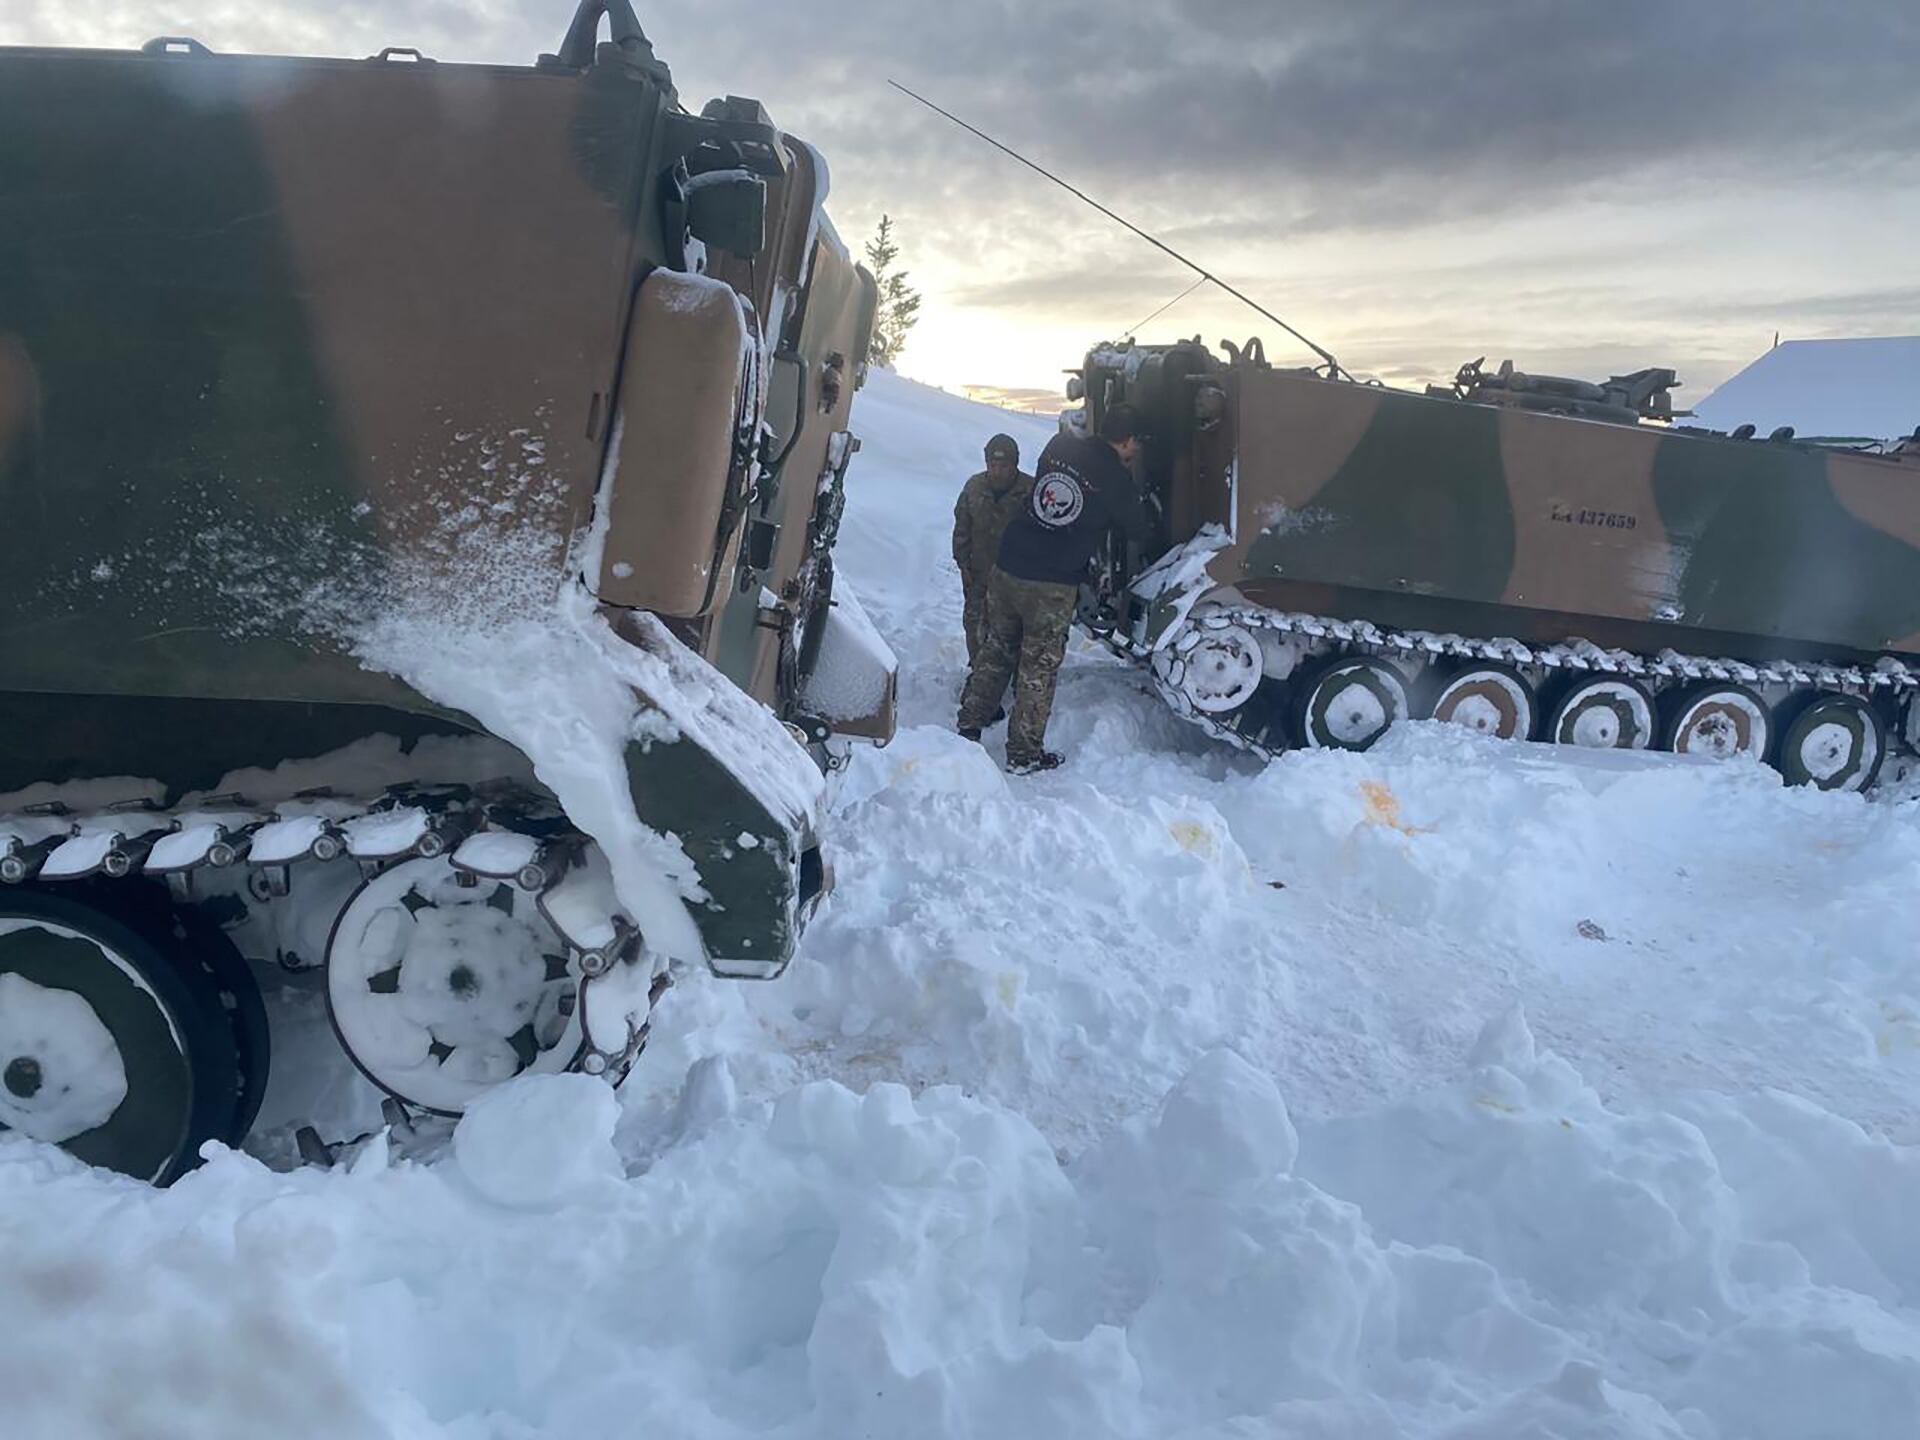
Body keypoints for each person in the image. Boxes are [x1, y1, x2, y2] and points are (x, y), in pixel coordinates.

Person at [957, 405, 1147, 773]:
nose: (1136, 450)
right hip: (1051, 582)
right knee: (1037, 668)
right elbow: (1139, 529)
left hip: (1009, 564)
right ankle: (1024, 755)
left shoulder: (1060, 446)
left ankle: (969, 724)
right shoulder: (1117, 480)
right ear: (1126, 441)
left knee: (997, 646)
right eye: (1135, 443)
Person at [951, 434, 1032, 664]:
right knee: (974, 624)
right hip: (979, 575)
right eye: (992, 465)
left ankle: (1008, 673)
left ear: (1014, 465)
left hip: (1016, 579)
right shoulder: (974, 487)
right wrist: (963, 564)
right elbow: (962, 527)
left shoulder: (1029, 491)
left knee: (1012, 630)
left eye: (1003, 466)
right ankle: (978, 671)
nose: (996, 472)